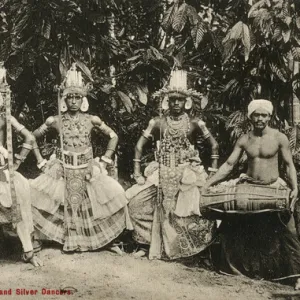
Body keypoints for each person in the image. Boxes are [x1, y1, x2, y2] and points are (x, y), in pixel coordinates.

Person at [30, 63, 132, 254]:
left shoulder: (92, 119)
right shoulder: (55, 120)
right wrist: (41, 161)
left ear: (83, 100)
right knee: (37, 196)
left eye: (78, 97)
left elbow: (113, 136)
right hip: (62, 168)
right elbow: (31, 137)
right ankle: (45, 238)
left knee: (116, 195)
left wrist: (105, 159)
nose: (74, 101)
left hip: (87, 168)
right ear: (64, 100)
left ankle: (104, 241)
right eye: (70, 97)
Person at [202, 99, 300, 289]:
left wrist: (294, 188)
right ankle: (230, 269)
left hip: (272, 187)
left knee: (287, 230)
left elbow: (289, 165)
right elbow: (229, 165)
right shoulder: (245, 139)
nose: (260, 118)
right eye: (256, 114)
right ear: (250, 116)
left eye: (264, 115)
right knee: (232, 222)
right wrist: (208, 184)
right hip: (249, 185)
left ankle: (297, 276)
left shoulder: (279, 137)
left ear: (269, 117)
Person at [126, 70, 218, 260]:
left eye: (180, 100)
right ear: (167, 101)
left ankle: (187, 251)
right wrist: (137, 172)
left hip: (187, 173)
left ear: (187, 102)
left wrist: (213, 172)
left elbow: (214, 145)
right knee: (136, 203)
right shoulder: (157, 122)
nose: (176, 103)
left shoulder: (195, 123)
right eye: (173, 99)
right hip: (161, 171)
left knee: (191, 211)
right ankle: (147, 243)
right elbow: (138, 146)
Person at [0, 65, 42, 267]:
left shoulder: (4, 118)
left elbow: (30, 136)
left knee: (20, 192)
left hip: (1, 171)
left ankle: (28, 250)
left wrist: (16, 161)